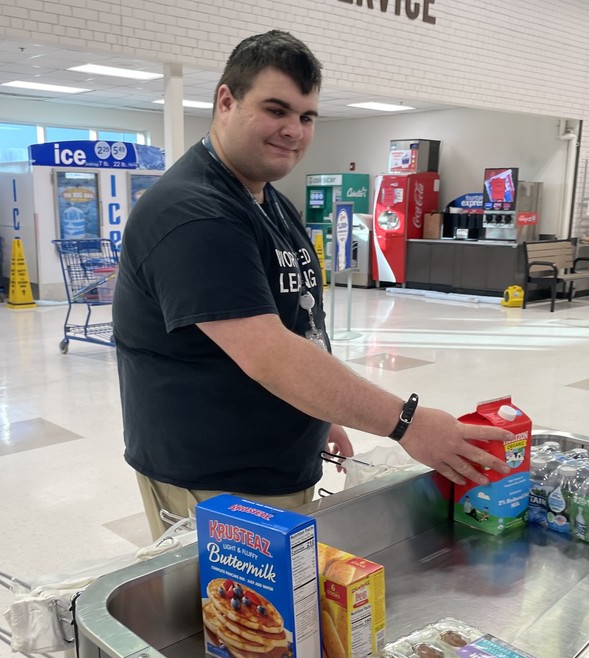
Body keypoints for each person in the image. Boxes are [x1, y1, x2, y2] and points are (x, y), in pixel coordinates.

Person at [113, 30, 511, 538]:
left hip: (273, 463)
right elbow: (270, 354)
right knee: (236, 618)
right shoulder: (193, 213)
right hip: (216, 480)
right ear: (226, 101)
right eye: (276, 110)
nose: (294, 131)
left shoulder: (270, 201)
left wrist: (319, 414)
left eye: (306, 117)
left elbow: (298, 324)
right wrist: (408, 423)